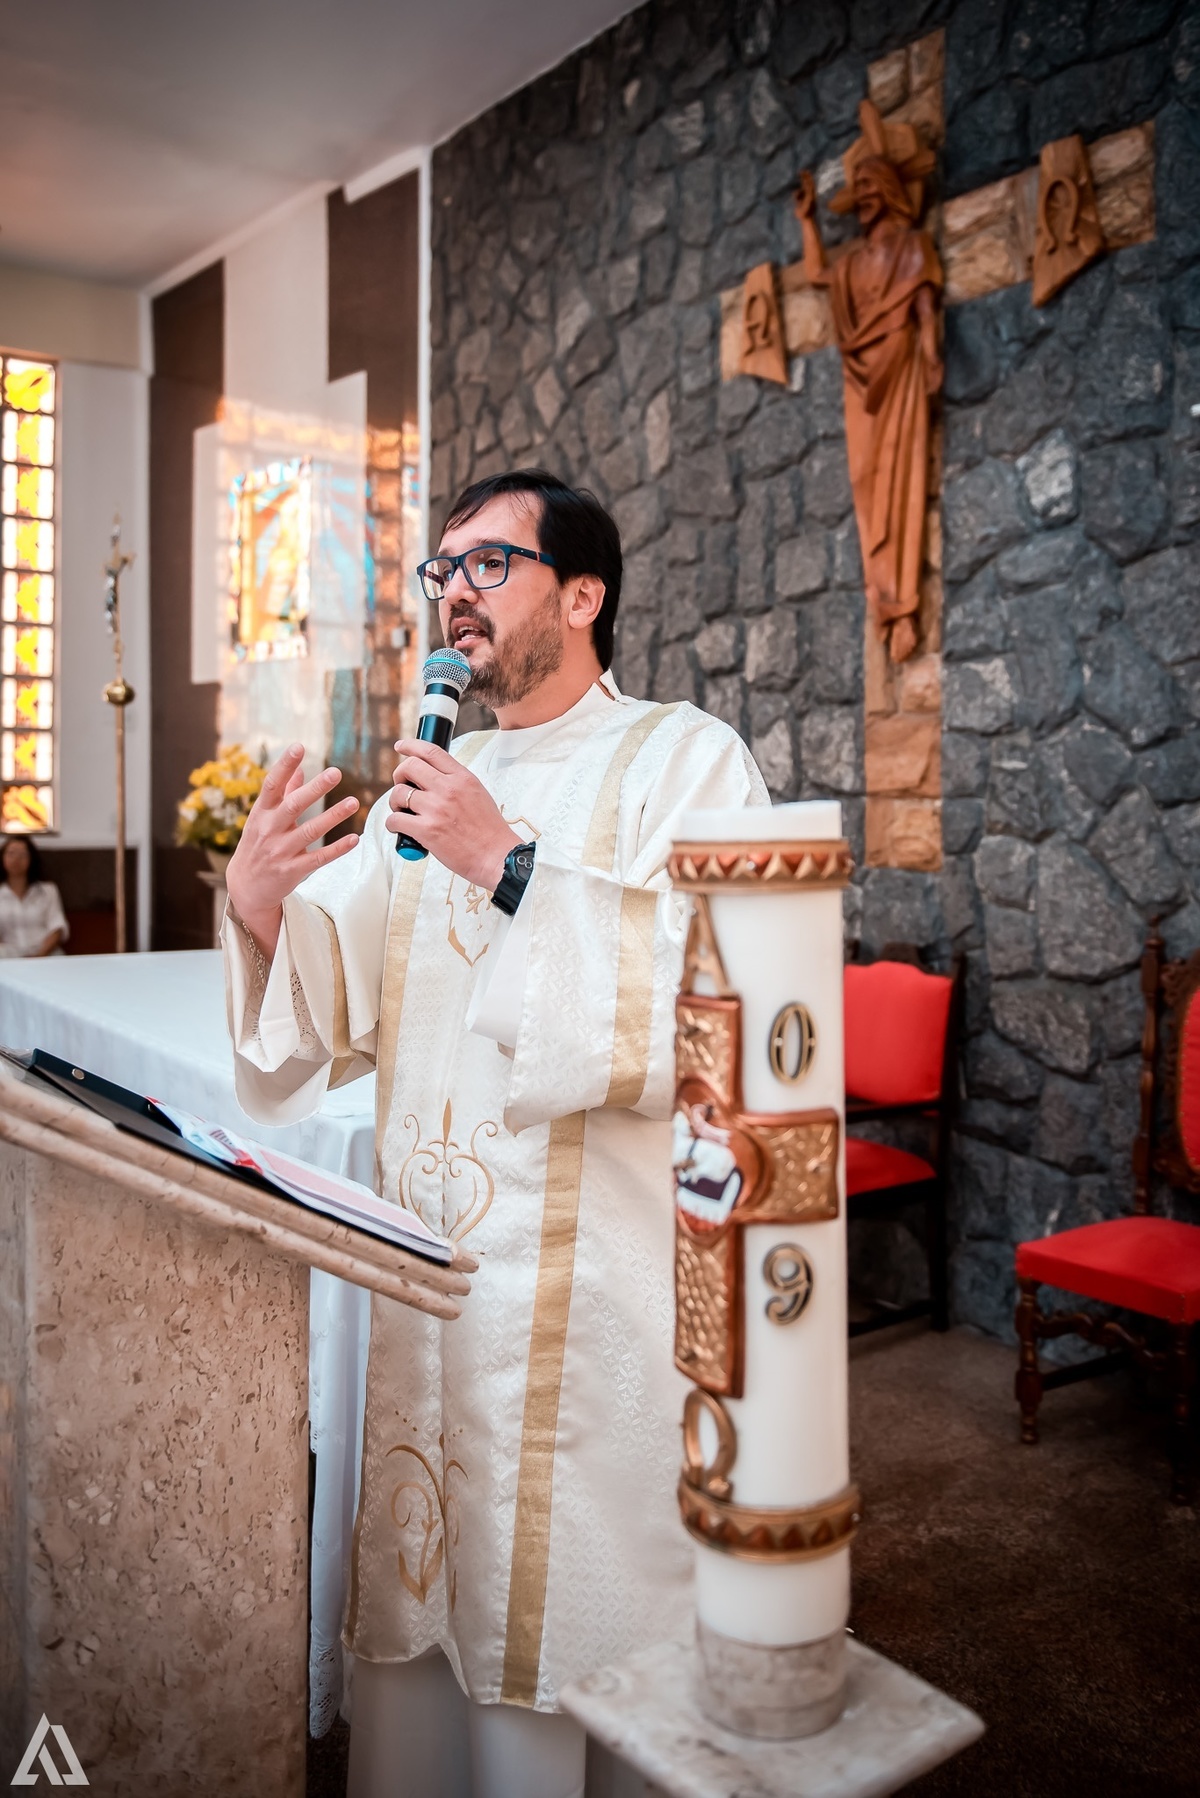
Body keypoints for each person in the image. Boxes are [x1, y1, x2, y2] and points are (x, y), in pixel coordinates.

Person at [222, 467, 769, 1798]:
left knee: (570, 1617)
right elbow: (323, 1008)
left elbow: (720, 1001)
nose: (453, 593)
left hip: (591, 1306)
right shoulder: (439, 779)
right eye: (442, 569)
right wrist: (256, 907)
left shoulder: (683, 756)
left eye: (487, 565)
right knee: (434, 1605)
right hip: (435, 1289)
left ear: (582, 595)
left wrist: (513, 865)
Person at [0, 835, 69, 959]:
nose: (16, 859)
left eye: (22, 854)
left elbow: (57, 927)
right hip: (8, 955)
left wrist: (39, 956)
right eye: (11, 853)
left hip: (44, 953)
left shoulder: (48, 890)